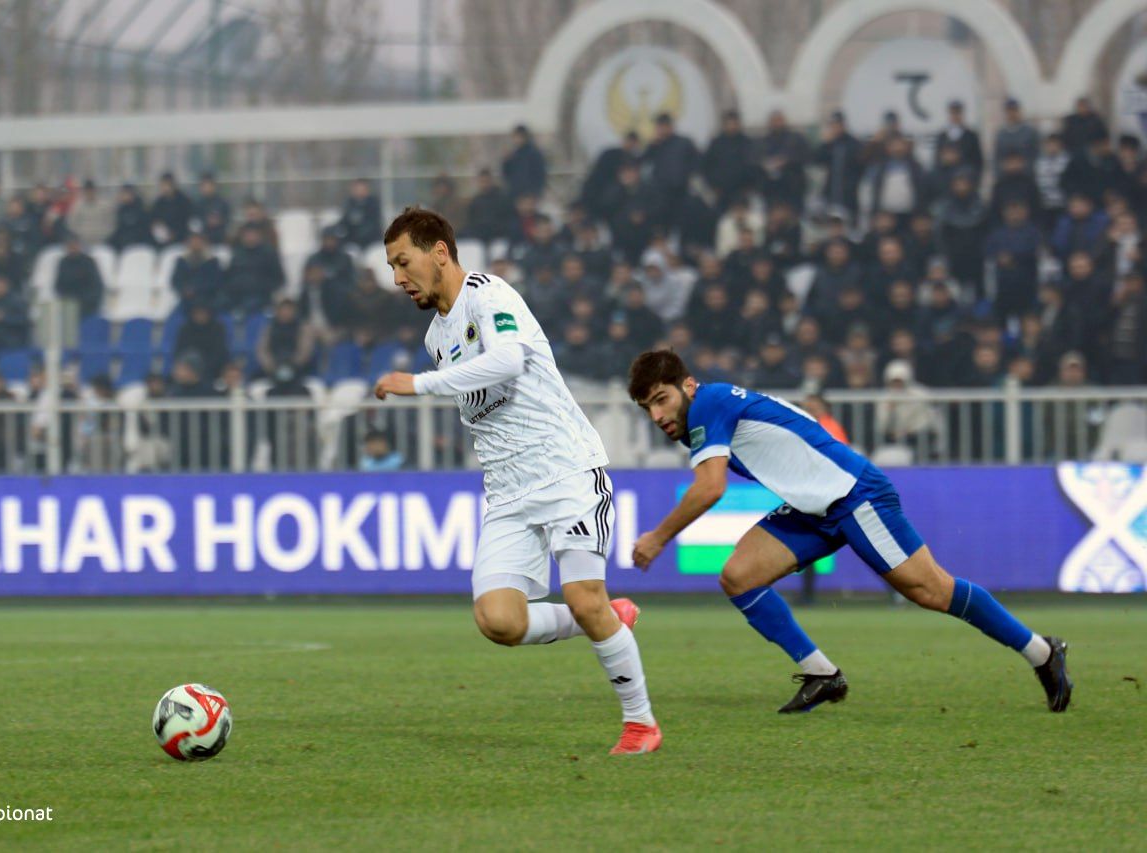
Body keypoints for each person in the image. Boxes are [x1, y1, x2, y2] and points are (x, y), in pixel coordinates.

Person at [624, 349, 1072, 714]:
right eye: (648, 408)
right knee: (739, 576)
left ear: (688, 386)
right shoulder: (704, 413)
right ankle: (822, 674)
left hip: (853, 494)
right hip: (812, 507)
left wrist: (657, 537)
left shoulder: (709, 404)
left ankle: (1042, 652)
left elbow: (710, 488)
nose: (657, 415)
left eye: (661, 399)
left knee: (932, 590)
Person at [372, 207, 661, 755]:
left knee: (582, 595)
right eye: (391, 267)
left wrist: (421, 385)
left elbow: (507, 361)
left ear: (439, 253)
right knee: (498, 620)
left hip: (566, 472)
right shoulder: (437, 336)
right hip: (507, 493)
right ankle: (606, 617)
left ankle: (640, 724)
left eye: (403, 262)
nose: (397, 278)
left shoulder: (490, 294)